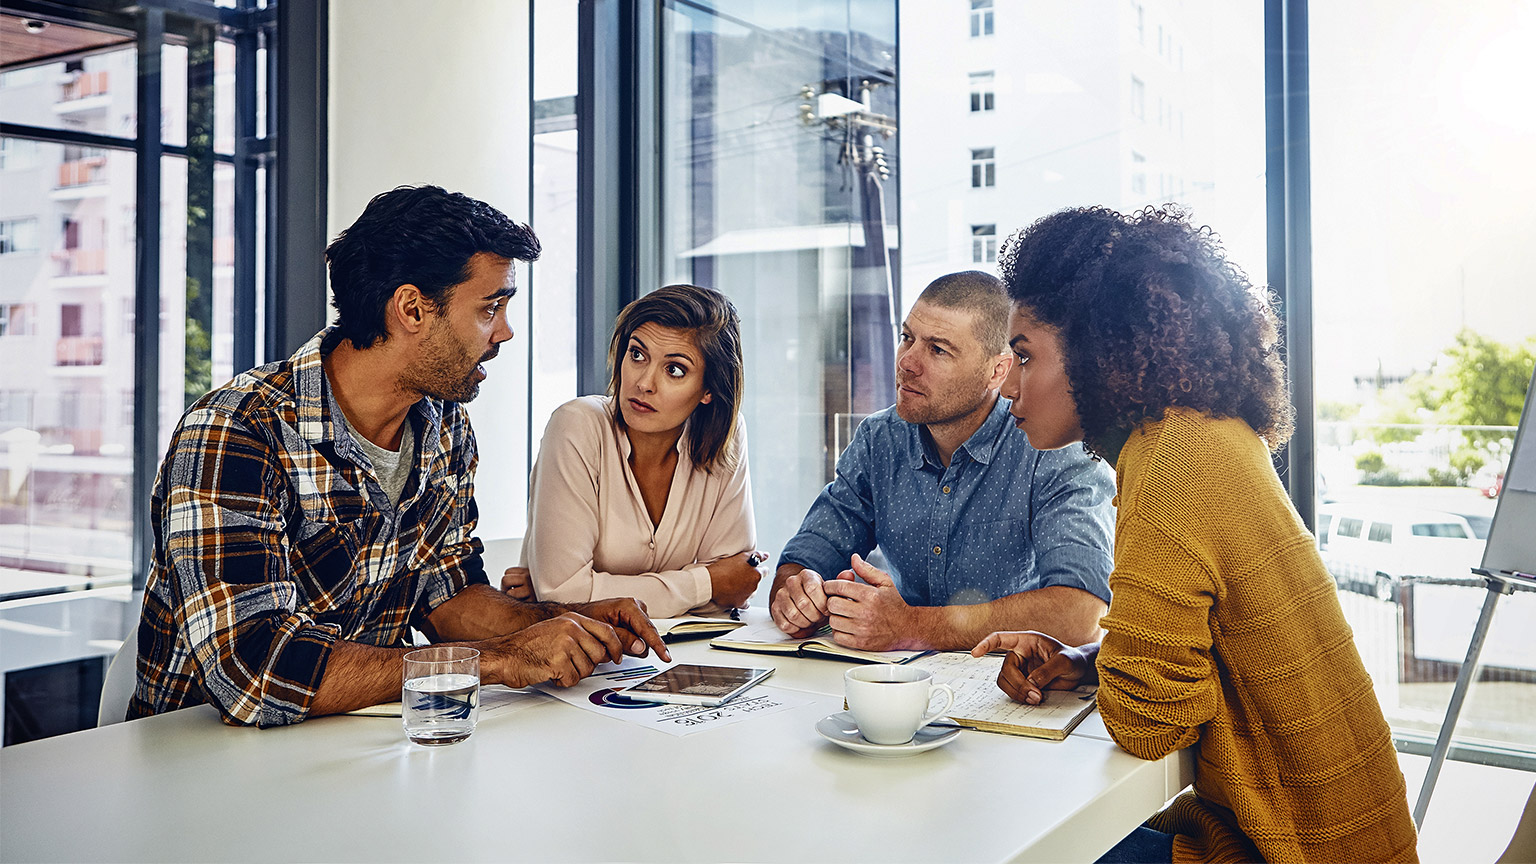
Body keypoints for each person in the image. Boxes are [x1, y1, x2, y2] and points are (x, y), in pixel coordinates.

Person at [973, 205, 1418, 862]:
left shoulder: (1171, 461)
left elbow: (1149, 723)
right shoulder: (1201, 433)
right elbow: (1209, 657)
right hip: (1336, 835)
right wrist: (1088, 663)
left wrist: (1116, 669)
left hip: (1287, 850)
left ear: (1098, 352)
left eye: (1024, 354)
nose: (1005, 379)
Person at [130, 185, 668, 727]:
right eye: (490, 307)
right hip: (201, 764)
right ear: (412, 308)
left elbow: (448, 597)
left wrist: (566, 620)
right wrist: (501, 660)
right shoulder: (237, 432)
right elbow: (254, 672)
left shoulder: (443, 423)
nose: (505, 331)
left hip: (350, 748)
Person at [768, 271, 1116, 652]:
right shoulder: (879, 439)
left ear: (997, 371)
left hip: (1011, 689)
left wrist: (911, 626)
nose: (907, 363)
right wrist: (798, 593)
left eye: (938, 350)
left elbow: (1081, 614)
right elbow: (805, 556)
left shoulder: (1053, 447)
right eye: (907, 338)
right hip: (895, 686)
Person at [501, 284, 765, 618]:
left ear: (708, 390)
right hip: (581, 659)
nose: (644, 383)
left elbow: (734, 588)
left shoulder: (726, 436)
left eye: (674, 370)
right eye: (637, 355)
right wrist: (704, 584)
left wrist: (588, 591)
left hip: (689, 655)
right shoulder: (576, 427)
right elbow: (566, 594)